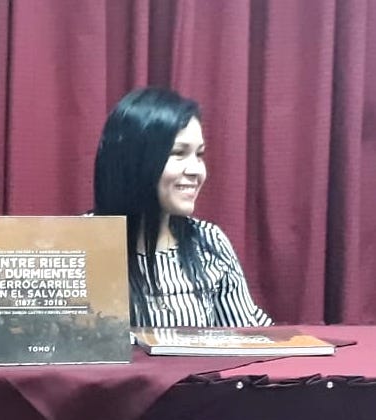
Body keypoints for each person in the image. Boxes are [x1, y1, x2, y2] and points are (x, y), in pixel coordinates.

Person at [94, 87, 271, 327]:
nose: (197, 171)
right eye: (178, 153)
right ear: (134, 159)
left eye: (199, 155)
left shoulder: (208, 241)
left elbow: (249, 335)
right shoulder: (78, 245)